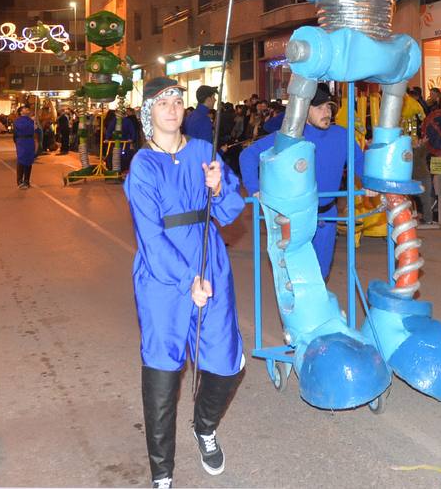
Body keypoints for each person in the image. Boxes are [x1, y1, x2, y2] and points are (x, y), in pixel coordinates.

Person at [124, 77, 244, 488]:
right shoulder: (142, 166)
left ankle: (204, 426)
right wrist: (184, 280)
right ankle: (162, 473)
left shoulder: (203, 153)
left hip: (211, 263)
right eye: (162, 103)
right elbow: (150, 235)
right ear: (148, 114)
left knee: (227, 363)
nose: (172, 108)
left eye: (177, 101)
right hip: (163, 277)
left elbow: (230, 211)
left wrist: (219, 186)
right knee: (162, 370)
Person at [238, 83, 361, 280]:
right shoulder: (290, 138)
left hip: (327, 215)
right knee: (295, 274)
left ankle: (316, 309)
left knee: (321, 273)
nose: (326, 112)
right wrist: (254, 188)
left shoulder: (342, 135)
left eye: (329, 107)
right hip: (296, 216)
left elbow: (360, 164)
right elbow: (248, 155)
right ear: (305, 110)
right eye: (319, 107)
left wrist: (372, 185)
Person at [12, 105, 37, 188]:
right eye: (25, 109)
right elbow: (23, 128)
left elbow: (35, 130)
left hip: (30, 141)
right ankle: (20, 181)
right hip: (22, 141)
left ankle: (27, 180)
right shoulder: (18, 121)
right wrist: (31, 123)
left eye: (27, 108)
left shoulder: (31, 120)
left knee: (29, 160)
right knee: (22, 159)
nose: (27, 109)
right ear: (21, 112)